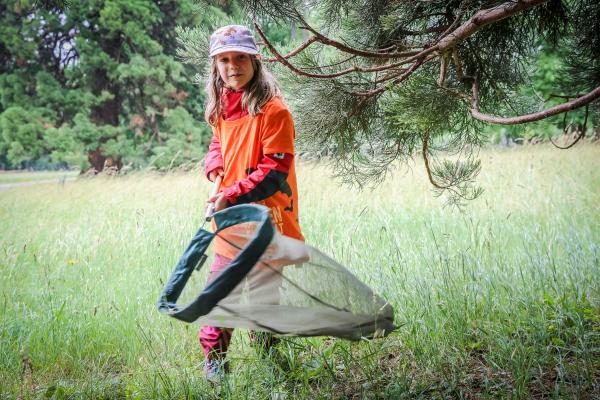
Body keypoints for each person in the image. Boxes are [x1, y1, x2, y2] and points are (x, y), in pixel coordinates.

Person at [200, 24, 304, 380]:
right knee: (220, 292)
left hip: (268, 219)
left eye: (240, 57)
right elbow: (218, 146)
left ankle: (273, 367)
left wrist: (231, 193)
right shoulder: (221, 107)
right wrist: (216, 174)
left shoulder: (275, 111)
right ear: (216, 66)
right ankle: (216, 363)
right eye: (224, 60)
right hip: (232, 220)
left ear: (255, 61)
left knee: (262, 299)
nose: (232, 66)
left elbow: (274, 170)